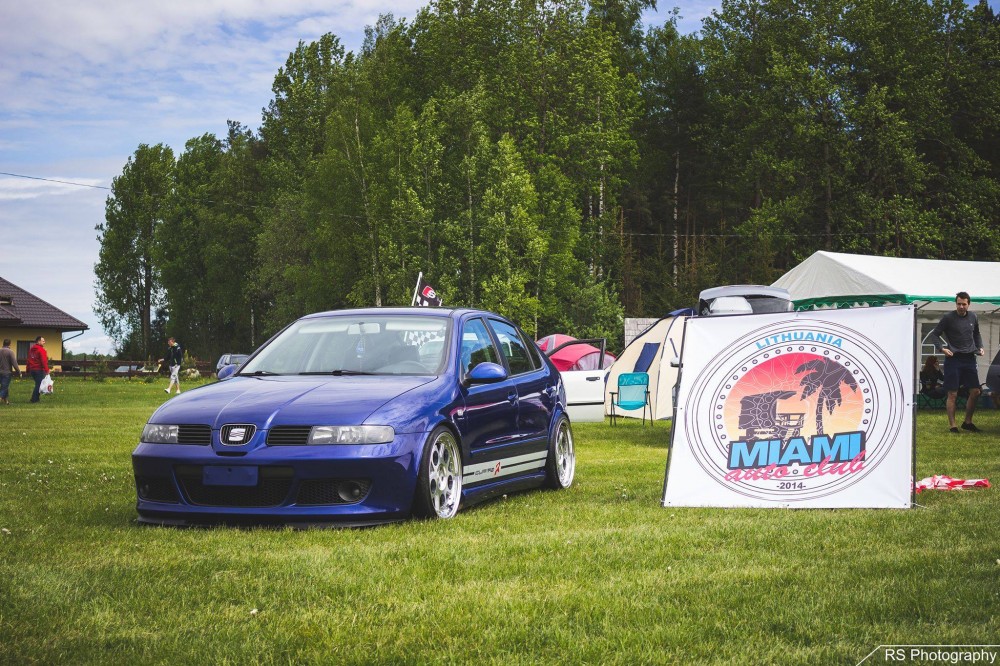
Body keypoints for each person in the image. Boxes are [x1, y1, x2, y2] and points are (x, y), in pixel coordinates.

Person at [928, 292, 984, 433]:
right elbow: (935, 334)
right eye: (958, 304)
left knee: (976, 391)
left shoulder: (973, 317)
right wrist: (942, 349)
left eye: (964, 304)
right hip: (954, 359)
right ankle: (953, 426)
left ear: (968, 304)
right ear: (956, 304)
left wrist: (980, 347)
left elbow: (976, 333)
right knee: (952, 393)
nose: (961, 306)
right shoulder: (948, 318)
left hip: (970, 358)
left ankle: (967, 422)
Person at [26, 336, 49, 403]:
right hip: (39, 370)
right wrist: (47, 370)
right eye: (43, 341)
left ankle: (36, 399)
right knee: (38, 385)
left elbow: (28, 360)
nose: (44, 342)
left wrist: (27, 369)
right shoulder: (41, 350)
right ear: (38, 341)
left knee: (38, 384)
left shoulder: (31, 349)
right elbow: (43, 361)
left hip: (32, 370)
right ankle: (34, 399)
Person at [0, 338, 20, 405]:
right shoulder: (10, 352)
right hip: (6, 372)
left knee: (5, 387)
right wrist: (19, 372)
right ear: (10, 344)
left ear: (3, 343)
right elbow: (14, 363)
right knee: (4, 387)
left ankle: (6, 402)